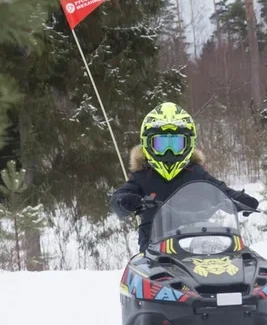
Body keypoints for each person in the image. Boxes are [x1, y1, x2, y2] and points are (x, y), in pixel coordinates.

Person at [110, 102, 259, 253]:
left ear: (189, 144)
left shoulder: (195, 172)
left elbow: (219, 189)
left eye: (176, 144)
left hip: (196, 244)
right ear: (148, 144)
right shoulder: (142, 175)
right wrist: (124, 201)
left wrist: (238, 198)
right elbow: (117, 200)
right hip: (153, 250)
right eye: (161, 144)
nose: (168, 151)